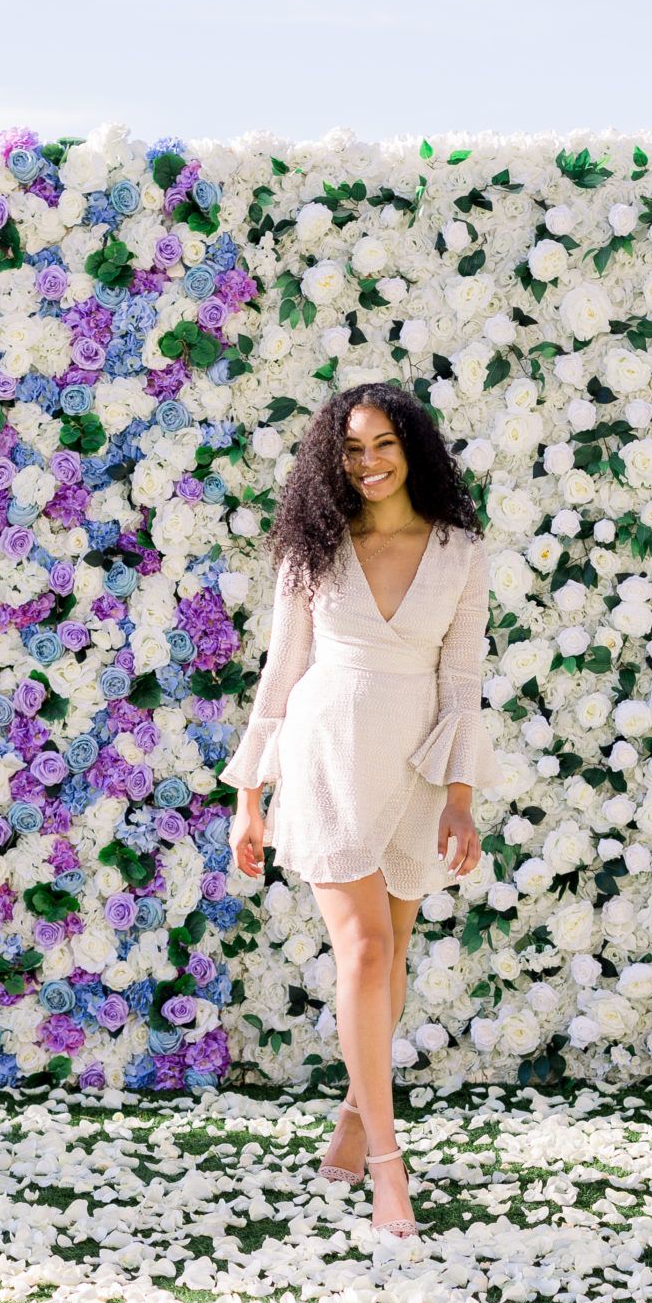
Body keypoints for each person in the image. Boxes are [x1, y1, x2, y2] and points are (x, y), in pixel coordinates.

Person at [219, 381, 490, 1241]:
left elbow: (462, 681)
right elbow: (281, 670)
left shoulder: (459, 552)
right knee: (365, 950)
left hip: (413, 770)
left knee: (394, 954)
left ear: (412, 448)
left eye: (383, 445)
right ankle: (386, 1163)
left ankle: (349, 1118)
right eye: (351, 449)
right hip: (327, 755)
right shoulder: (315, 549)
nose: (368, 463)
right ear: (331, 462)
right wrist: (249, 795)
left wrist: (461, 799)